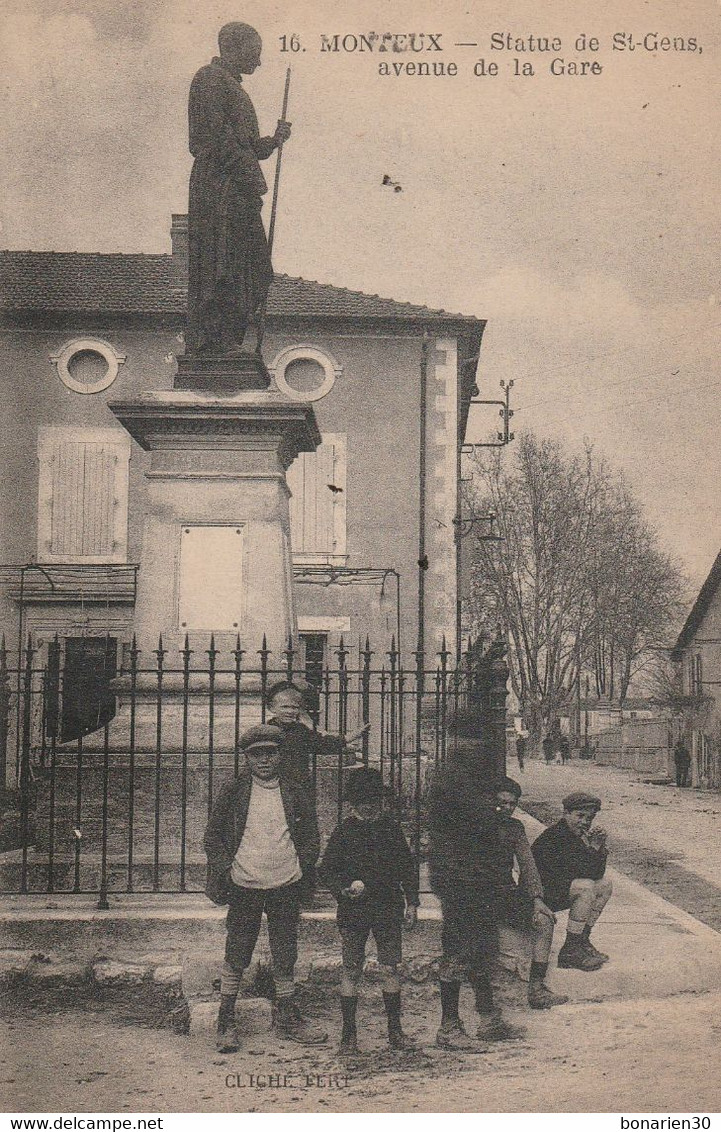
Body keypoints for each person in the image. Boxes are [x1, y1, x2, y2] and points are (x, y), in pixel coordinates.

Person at [203, 724, 327, 1052]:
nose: (264, 760)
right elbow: (212, 835)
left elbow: (312, 832)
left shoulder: (295, 790)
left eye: (270, 753)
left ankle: (287, 1017)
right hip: (244, 883)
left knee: (285, 950)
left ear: (280, 755)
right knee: (238, 951)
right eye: (256, 754)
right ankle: (225, 1020)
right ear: (246, 758)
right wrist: (226, 868)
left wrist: (304, 863)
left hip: (286, 882)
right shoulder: (234, 790)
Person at [186, 22, 291, 356]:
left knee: (251, 265)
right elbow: (218, 140)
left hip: (237, 187)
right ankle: (215, 341)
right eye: (254, 53)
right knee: (223, 263)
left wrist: (272, 142)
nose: (258, 62)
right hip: (219, 187)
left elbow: (244, 146)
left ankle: (232, 338)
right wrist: (254, 179)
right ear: (231, 48)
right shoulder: (208, 80)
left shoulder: (233, 87)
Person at [428, 711, 527, 1050]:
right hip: (458, 877)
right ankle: (449, 1026)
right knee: (457, 949)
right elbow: (461, 832)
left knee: (483, 948)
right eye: (465, 739)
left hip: (481, 878)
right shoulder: (449, 780)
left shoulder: (478, 778)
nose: (472, 746)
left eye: (477, 740)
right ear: (454, 741)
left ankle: (488, 1018)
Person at [318, 768, 419, 1054]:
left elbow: (407, 868)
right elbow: (327, 870)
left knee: (390, 968)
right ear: (352, 803)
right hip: (354, 912)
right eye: (362, 799)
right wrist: (344, 888)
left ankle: (395, 1032)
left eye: (374, 798)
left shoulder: (391, 829)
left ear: (381, 801)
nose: (368, 804)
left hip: (388, 909)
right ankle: (348, 1036)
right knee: (351, 969)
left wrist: (412, 902)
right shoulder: (344, 832)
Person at [494, 778, 568, 1010]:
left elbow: (527, 864)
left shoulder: (515, 828)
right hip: (475, 895)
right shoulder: (472, 826)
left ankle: (536, 988)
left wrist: (537, 899)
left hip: (505, 893)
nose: (506, 808)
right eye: (501, 803)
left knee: (545, 920)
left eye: (512, 804)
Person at [531, 792, 613, 972]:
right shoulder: (556, 836)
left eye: (589, 818)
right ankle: (570, 950)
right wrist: (592, 848)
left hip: (559, 890)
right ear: (566, 813)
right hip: (538, 894)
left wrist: (598, 848)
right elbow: (582, 873)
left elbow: (596, 874)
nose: (584, 822)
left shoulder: (576, 835)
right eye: (580, 816)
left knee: (605, 885)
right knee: (585, 887)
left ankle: (581, 940)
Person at [266, 680, 369, 785]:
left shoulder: (301, 730)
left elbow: (322, 742)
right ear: (272, 708)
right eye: (285, 707)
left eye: (294, 707)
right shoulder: (265, 731)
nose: (290, 711)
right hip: (273, 783)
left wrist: (349, 737)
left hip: (298, 784)